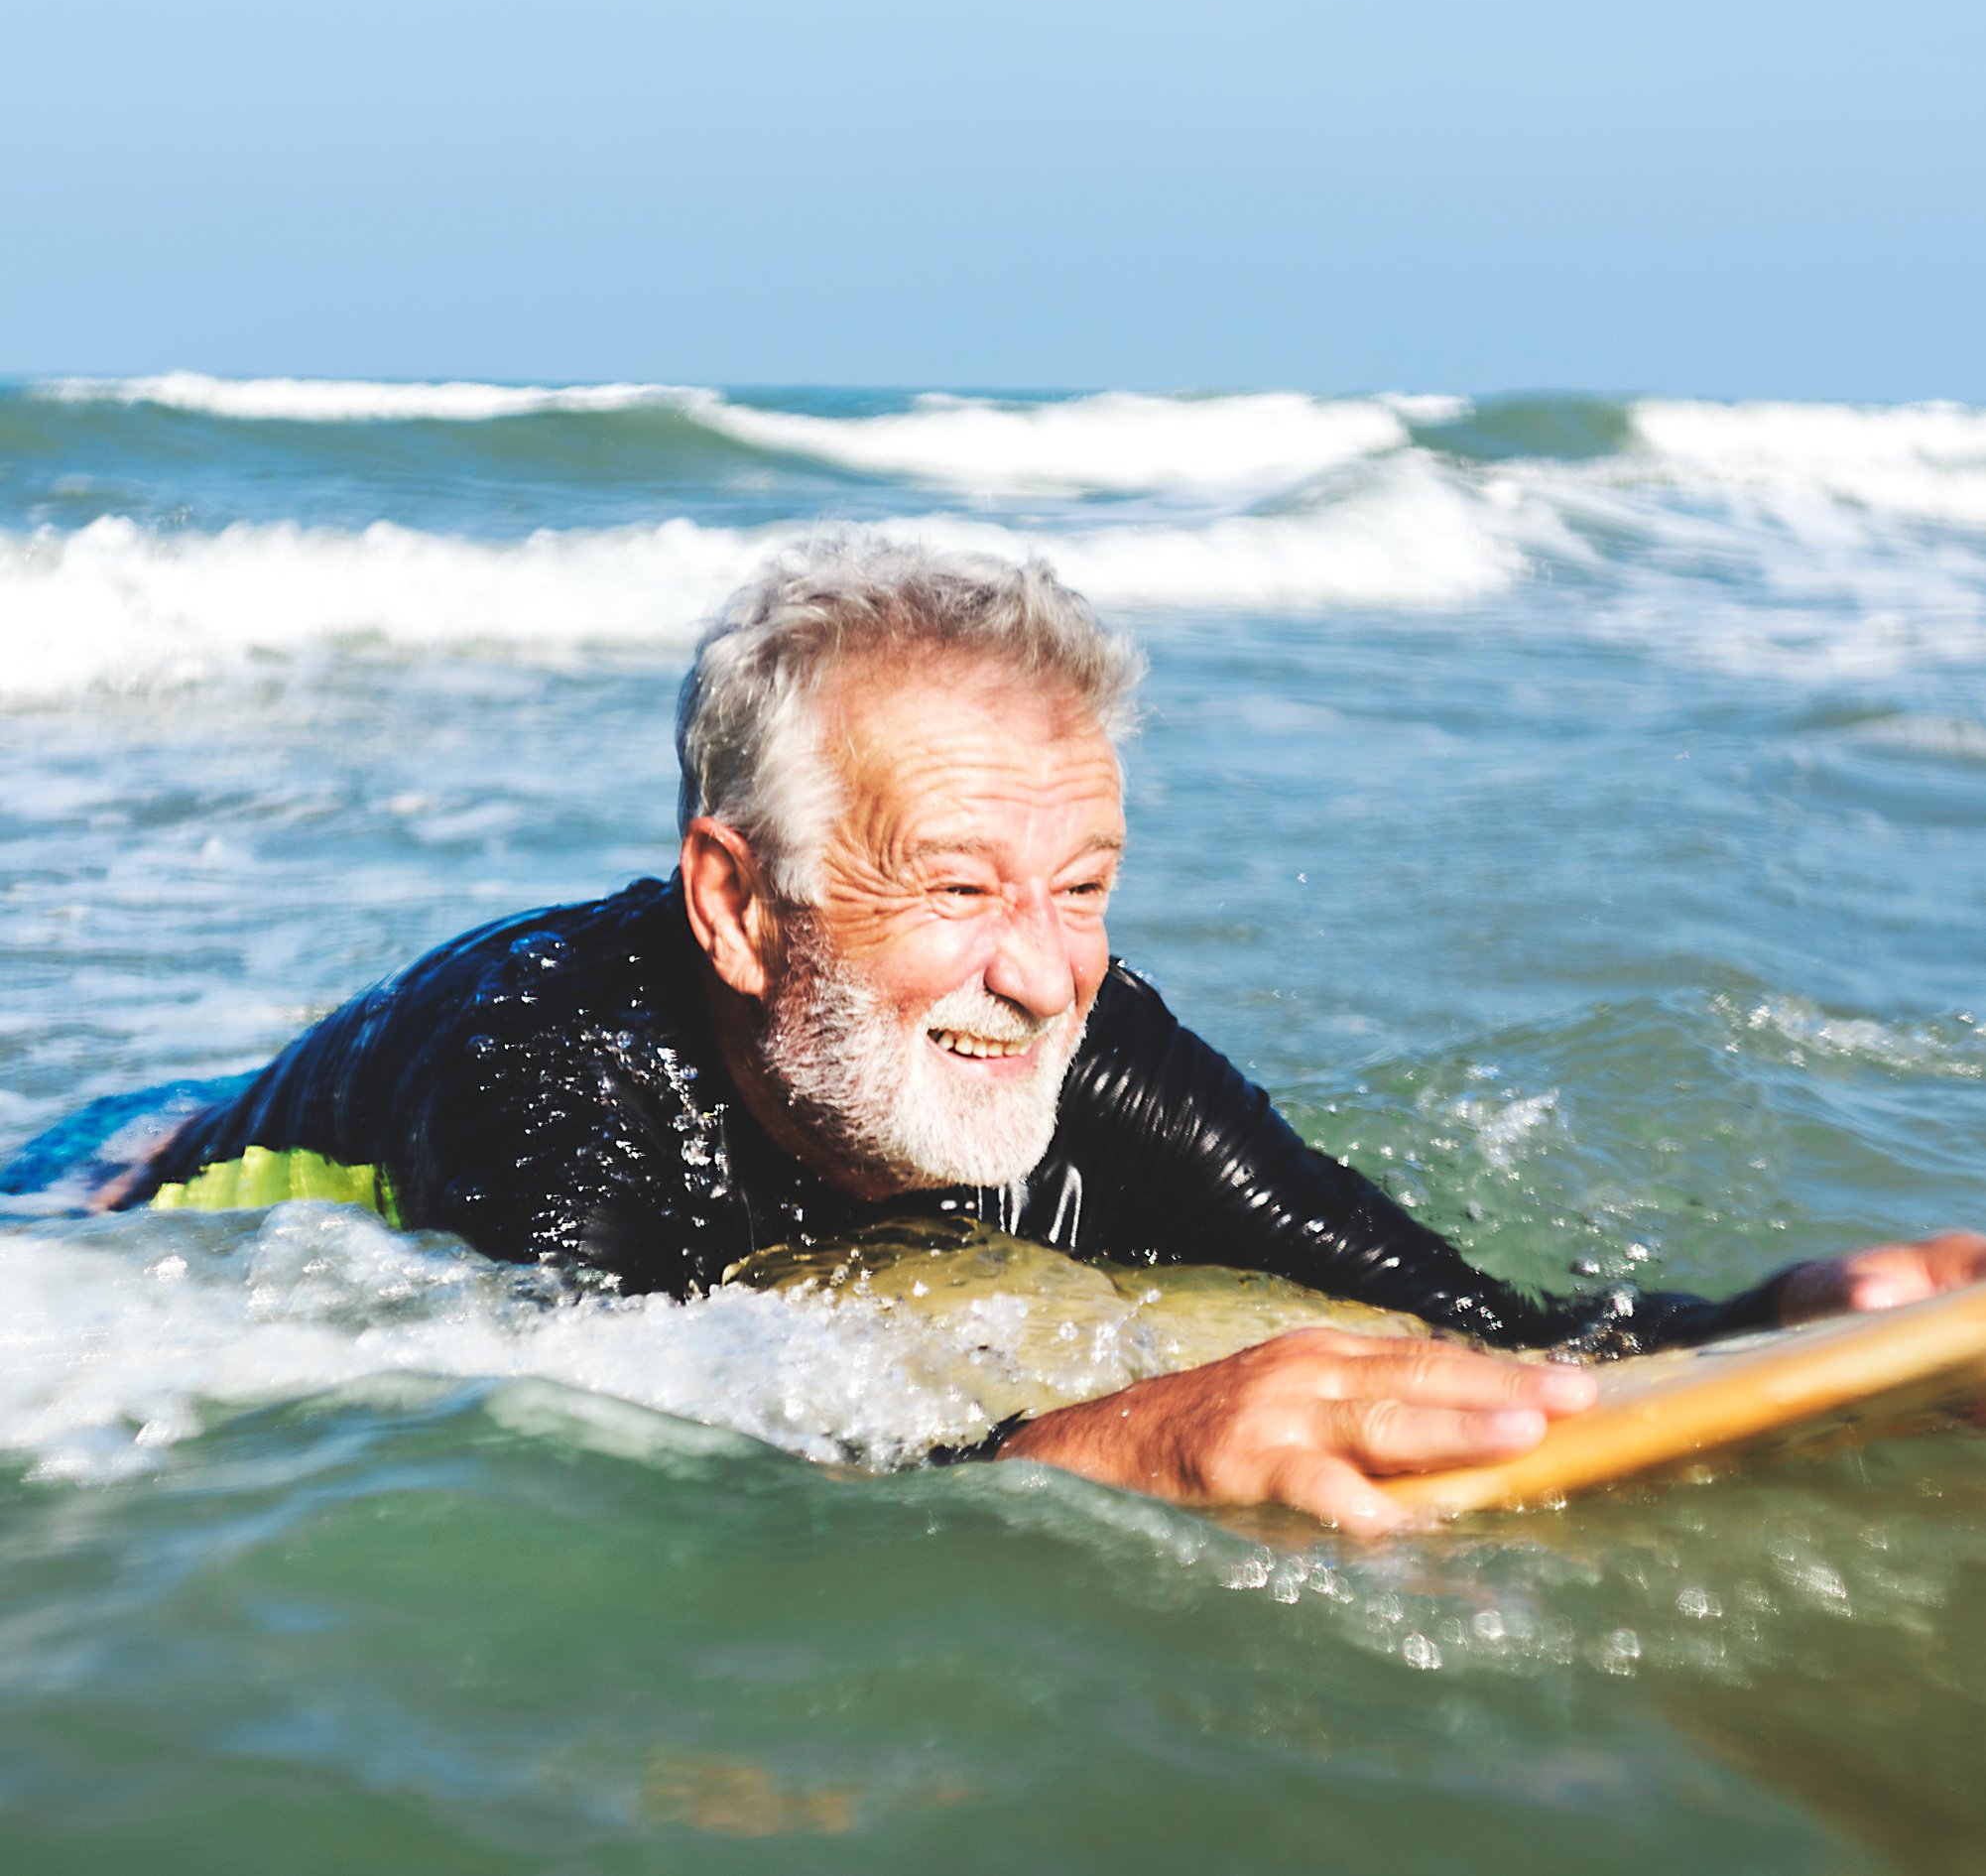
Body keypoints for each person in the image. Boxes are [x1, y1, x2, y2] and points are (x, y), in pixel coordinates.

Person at [41, 548, 1986, 1535]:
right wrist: (1094, 1447)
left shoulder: (1081, 1041)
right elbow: (631, 1471)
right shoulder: (553, 1072)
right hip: (120, 1190)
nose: (1043, 973)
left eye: (1082, 886)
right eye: (958, 885)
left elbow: (1460, 1310)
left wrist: (1786, 1317)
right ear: (739, 905)